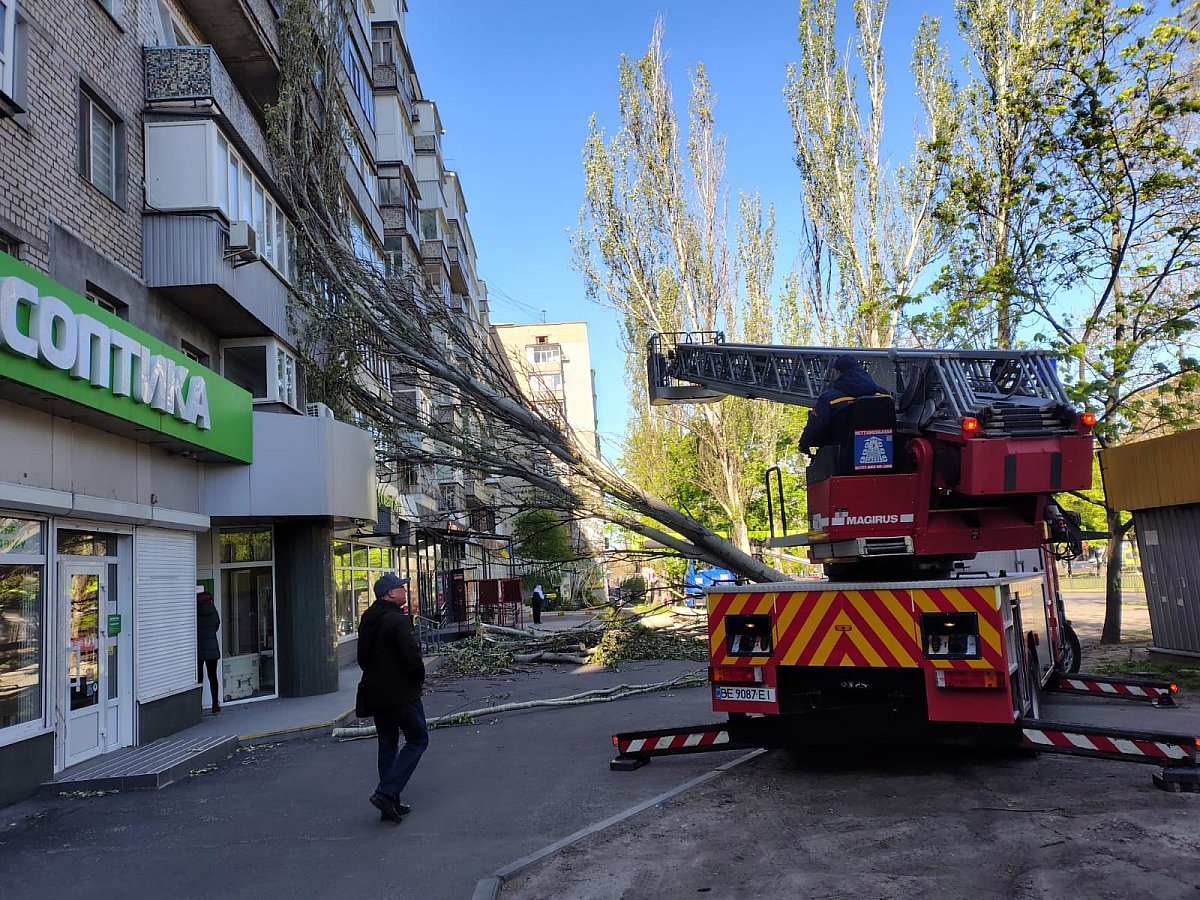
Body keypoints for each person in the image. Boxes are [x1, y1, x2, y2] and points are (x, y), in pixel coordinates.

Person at [357, 574, 427, 824]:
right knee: (418, 739)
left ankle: (390, 800)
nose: (404, 590)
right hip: (402, 694)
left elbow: (362, 659)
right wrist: (419, 678)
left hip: (376, 694)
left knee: (387, 743)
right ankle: (386, 793)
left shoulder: (368, 618)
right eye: (400, 587)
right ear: (389, 593)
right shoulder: (398, 620)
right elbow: (412, 658)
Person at [798, 355, 890, 455]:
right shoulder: (884, 395)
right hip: (885, 455)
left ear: (839, 373)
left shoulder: (829, 399)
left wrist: (804, 444)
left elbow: (816, 427)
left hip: (841, 458)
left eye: (833, 373)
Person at [196, 590, 221, 715]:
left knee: (199, 678)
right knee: (213, 677)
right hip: (212, 649)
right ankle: (215, 704)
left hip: (199, 650)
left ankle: (197, 706)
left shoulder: (195, 611)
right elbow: (217, 625)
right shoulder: (213, 610)